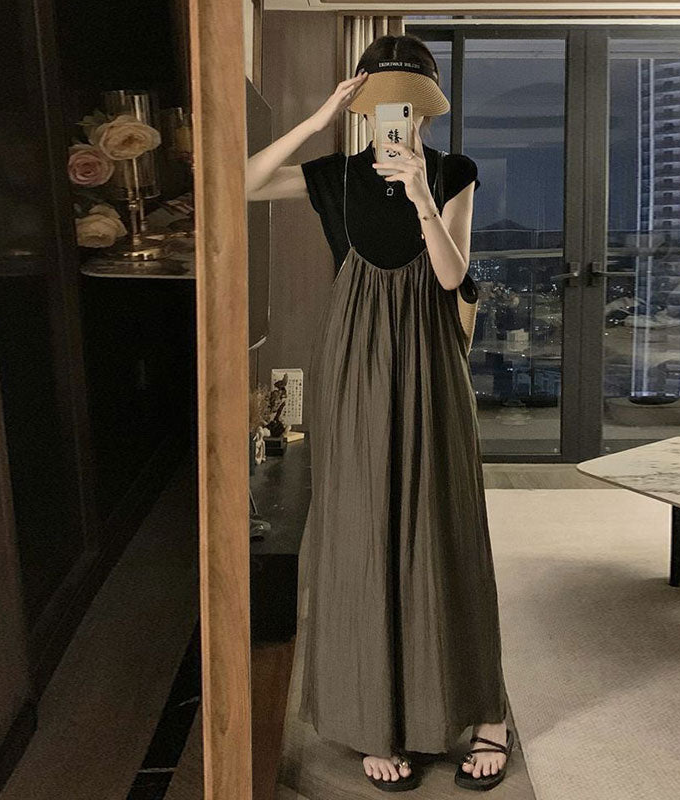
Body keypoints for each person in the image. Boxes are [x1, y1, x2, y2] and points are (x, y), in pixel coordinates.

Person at [247, 34, 513, 792]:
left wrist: (424, 197)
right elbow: (240, 183)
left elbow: (451, 277)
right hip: (355, 357)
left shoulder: (454, 172)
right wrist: (316, 118)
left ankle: (483, 710)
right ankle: (374, 715)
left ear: (427, 107)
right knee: (362, 526)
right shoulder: (332, 175)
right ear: (363, 106)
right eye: (382, 102)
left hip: (429, 353)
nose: (399, 117)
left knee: (444, 518)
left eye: (410, 104)